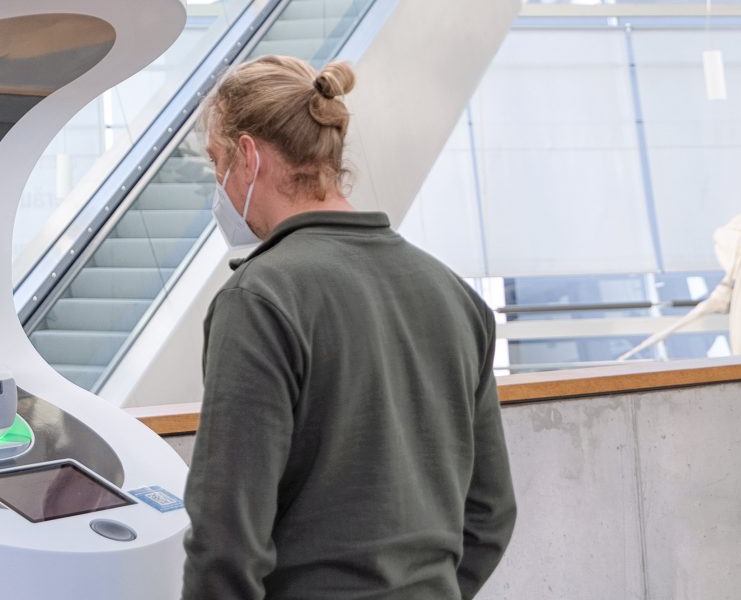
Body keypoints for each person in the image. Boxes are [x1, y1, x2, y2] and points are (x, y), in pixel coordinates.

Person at [181, 55, 516, 600]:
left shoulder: (260, 298)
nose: (218, 183)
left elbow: (226, 539)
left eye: (216, 162)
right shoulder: (453, 293)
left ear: (247, 156)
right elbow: (491, 513)